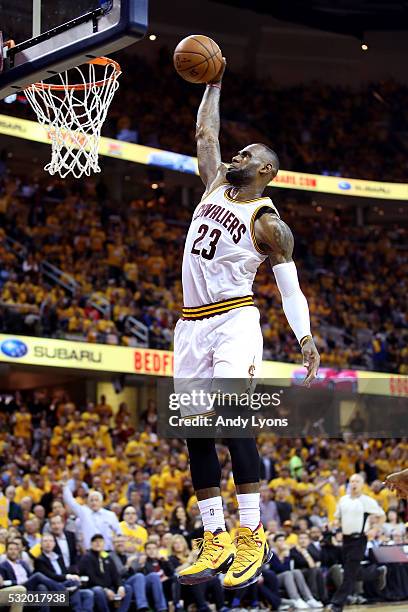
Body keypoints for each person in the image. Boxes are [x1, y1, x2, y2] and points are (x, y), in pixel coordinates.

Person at [174, 58, 320, 590]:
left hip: (235, 320)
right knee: (194, 433)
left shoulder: (269, 223)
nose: (236, 155)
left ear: (266, 172)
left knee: (233, 421)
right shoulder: (214, 183)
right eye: (237, 151)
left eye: (247, 154)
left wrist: (304, 338)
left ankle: (251, 534)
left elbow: (289, 288)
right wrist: (213, 82)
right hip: (189, 323)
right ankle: (213, 538)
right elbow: (205, 130)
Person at [327, 473, 385, 612]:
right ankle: (377, 573)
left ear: (362, 484)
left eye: (357, 481)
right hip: (346, 540)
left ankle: (337, 604)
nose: (354, 484)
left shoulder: (367, 501)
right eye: (352, 481)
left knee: (348, 573)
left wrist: (375, 529)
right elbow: (337, 519)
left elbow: (382, 516)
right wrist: (333, 525)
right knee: (352, 572)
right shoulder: (343, 500)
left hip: (360, 539)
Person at [0, 540, 71, 612]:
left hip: (28, 587)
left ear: (19, 551)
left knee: (42, 587)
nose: (13, 551)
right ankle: (63, 589)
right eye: (11, 549)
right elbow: (3, 583)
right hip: (17, 588)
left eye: (15, 549)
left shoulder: (23, 563)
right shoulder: (3, 566)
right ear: (6, 552)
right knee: (38, 576)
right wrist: (17, 582)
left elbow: (30, 576)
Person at [34, 533, 94, 612]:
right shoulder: (39, 560)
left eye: (50, 541)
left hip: (65, 585)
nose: (48, 543)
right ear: (41, 544)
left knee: (88, 593)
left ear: (54, 544)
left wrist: (71, 577)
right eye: (45, 541)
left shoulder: (59, 557)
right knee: (73, 586)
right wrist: (67, 577)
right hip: (51, 589)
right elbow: (50, 576)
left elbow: (65, 572)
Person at [62, 479, 122, 550]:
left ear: (101, 502)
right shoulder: (84, 512)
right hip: (90, 551)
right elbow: (70, 502)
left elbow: (119, 532)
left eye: (96, 500)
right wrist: (65, 488)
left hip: (107, 550)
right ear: (88, 502)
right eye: (91, 500)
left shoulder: (110, 515)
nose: (94, 503)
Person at [78, 534, 126, 612]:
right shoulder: (87, 557)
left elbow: (115, 575)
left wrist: (120, 586)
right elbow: (91, 578)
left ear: (104, 544)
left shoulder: (107, 557)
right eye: (95, 541)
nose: (98, 543)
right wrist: (105, 589)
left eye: (100, 541)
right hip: (93, 587)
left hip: (109, 587)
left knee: (127, 588)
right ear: (91, 544)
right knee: (98, 590)